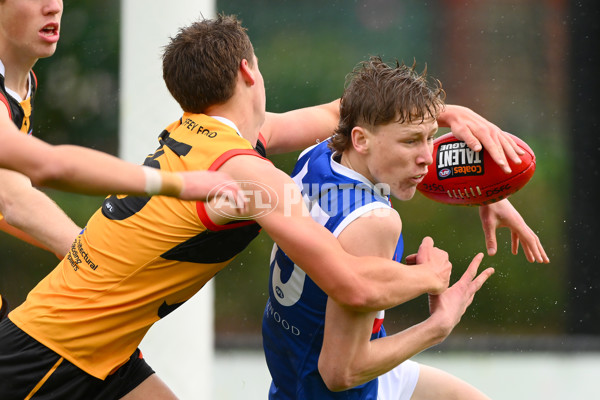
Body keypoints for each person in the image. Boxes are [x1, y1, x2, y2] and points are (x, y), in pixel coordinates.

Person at [0, 14, 544, 400]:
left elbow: (348, 114)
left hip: (105, 347)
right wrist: (433, 281)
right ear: (248, 72)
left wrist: (459, 132)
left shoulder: (213, 136)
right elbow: (352, 285)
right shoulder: (256, 178)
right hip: (51, 354)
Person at [262, 57, 548, 399]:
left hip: (292, 368)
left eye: (431, 137)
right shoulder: (373, 223)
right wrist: (437, 327)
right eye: (412, 141)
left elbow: (369, 125)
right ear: (361, 139)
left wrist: (484, 191)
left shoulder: (320, 152)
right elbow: (340, 371)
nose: (427, 156)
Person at [0, 0, 245, 320]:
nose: (53, 7)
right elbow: (40, 174)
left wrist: (79, 249)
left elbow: (9, 195)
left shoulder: (24, 83)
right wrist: (177, 184)